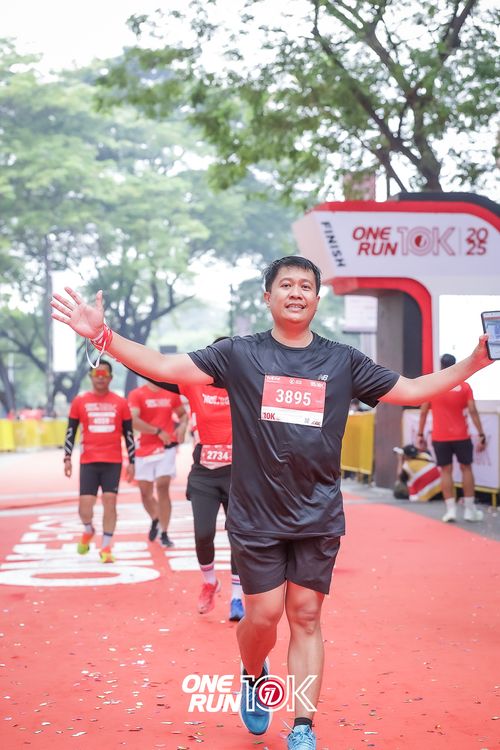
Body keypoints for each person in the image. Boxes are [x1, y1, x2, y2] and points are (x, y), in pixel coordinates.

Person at [51, 256, 493, 750]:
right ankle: (253, 672)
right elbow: (166, 366)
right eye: (286, 285)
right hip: (256, 514)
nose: (296, 292)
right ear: (268, 297)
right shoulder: (238, 354)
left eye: (306, 286)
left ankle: (302, 724)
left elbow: (410, 391)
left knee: (305, 616)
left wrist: (475, 362)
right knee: (262, 617)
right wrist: (103, 336)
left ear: (317, 299)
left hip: (318, 512)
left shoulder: (343, 360)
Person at [137, 354, 245, 622]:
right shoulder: (195, 385)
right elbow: (157, 370)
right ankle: (209, 582)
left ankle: (236, 597)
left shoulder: (246, 385)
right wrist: (115, 349)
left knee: (238, 536)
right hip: (204, 475)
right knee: (203, 533)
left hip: (239, 475)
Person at [63, 360, 135, 563]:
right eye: (97, 374)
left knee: (110, 502)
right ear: (91, 378)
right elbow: (71, 431)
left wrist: (132, 461)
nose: (101, 378)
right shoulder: (80, 401)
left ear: (111, 378)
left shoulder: (121, 402)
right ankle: (88, 530)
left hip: (113, 461)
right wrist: (67, 457)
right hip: (89, 461)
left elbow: (129, 434)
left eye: (104, 374)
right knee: (84, 508)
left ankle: (106, 547)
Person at [416, 353, 487, 523]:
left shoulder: (434, 386)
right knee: (466, 468)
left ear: (441, 366)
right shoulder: (465, 386)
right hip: (461, 435)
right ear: (455, 365)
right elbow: (472, 410)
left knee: (445, 471)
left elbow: (423, 411)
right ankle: (469, 510)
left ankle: (450, 511)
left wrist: (420, 434)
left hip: (440, 437)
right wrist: (481, 433)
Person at [128, 380, 188, 548]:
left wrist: (183, 426)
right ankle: (156, 518)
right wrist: (157, 431)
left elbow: (183, 415)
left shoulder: (171, 392)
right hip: (144, 447)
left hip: (166, 447)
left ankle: (164, 532)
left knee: (162, 486)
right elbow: (132, 420)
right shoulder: (137, 394)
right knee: (145, 493)